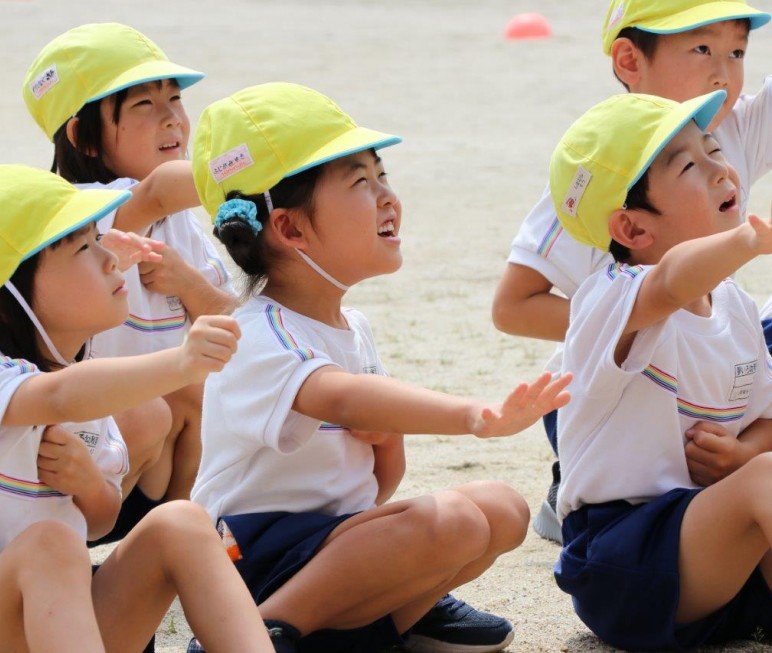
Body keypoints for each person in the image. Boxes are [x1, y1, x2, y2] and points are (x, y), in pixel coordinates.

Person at [186, 82, 572, 653]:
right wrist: (475, 415)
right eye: (360, 183)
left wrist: (387, 436)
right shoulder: (257, 332)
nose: (387, 197)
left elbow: (376, 484)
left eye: (382, 175)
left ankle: (382, 624)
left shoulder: (353, 328)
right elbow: (340, 399)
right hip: (247, 560)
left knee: (502, 508)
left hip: (330, 548)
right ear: (290, 229)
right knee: (457, 523)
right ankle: (262, 632)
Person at [0, 164, 287, 653]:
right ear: (7, 298)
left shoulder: (87, 376)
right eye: (83, 248)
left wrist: (89, 485)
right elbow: (55, 397)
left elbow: (100, 520)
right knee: (50, 546)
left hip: (48, 619)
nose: (112, 259)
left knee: (180, 522)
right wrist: (182, 362)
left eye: (101, 239)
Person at [491, 0, 772, 544]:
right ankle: (577, 472)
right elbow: (512, 306)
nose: (724, 70)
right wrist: (626, 327)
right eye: (702, 48)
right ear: (629, 59)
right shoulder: (595, 170)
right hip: (620, 391)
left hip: (717, 384)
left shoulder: (727, 129)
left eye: (737, 51)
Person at [549, 90, 772, 650]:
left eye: (714, 148)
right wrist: (748, 239)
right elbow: (672, 279)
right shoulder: (610, 298)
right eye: (691, 165)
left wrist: (745, 453)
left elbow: (766, 419)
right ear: (632, 230)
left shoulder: (736, 307)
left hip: (723, 571)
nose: (721, 169)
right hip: (623, 560)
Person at [22, 23, 236, 547]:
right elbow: (160, 191)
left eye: (175, 98)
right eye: (143, 104)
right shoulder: (77, 212)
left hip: (142, 464)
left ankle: (186, 540)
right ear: (83, 136)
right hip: (65, 463)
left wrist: (187, 283)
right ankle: (126, 546)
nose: (171, 118)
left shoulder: (181, 223)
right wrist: (258, 168)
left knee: (202, 389)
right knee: (150, 409)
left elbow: (242, 321)